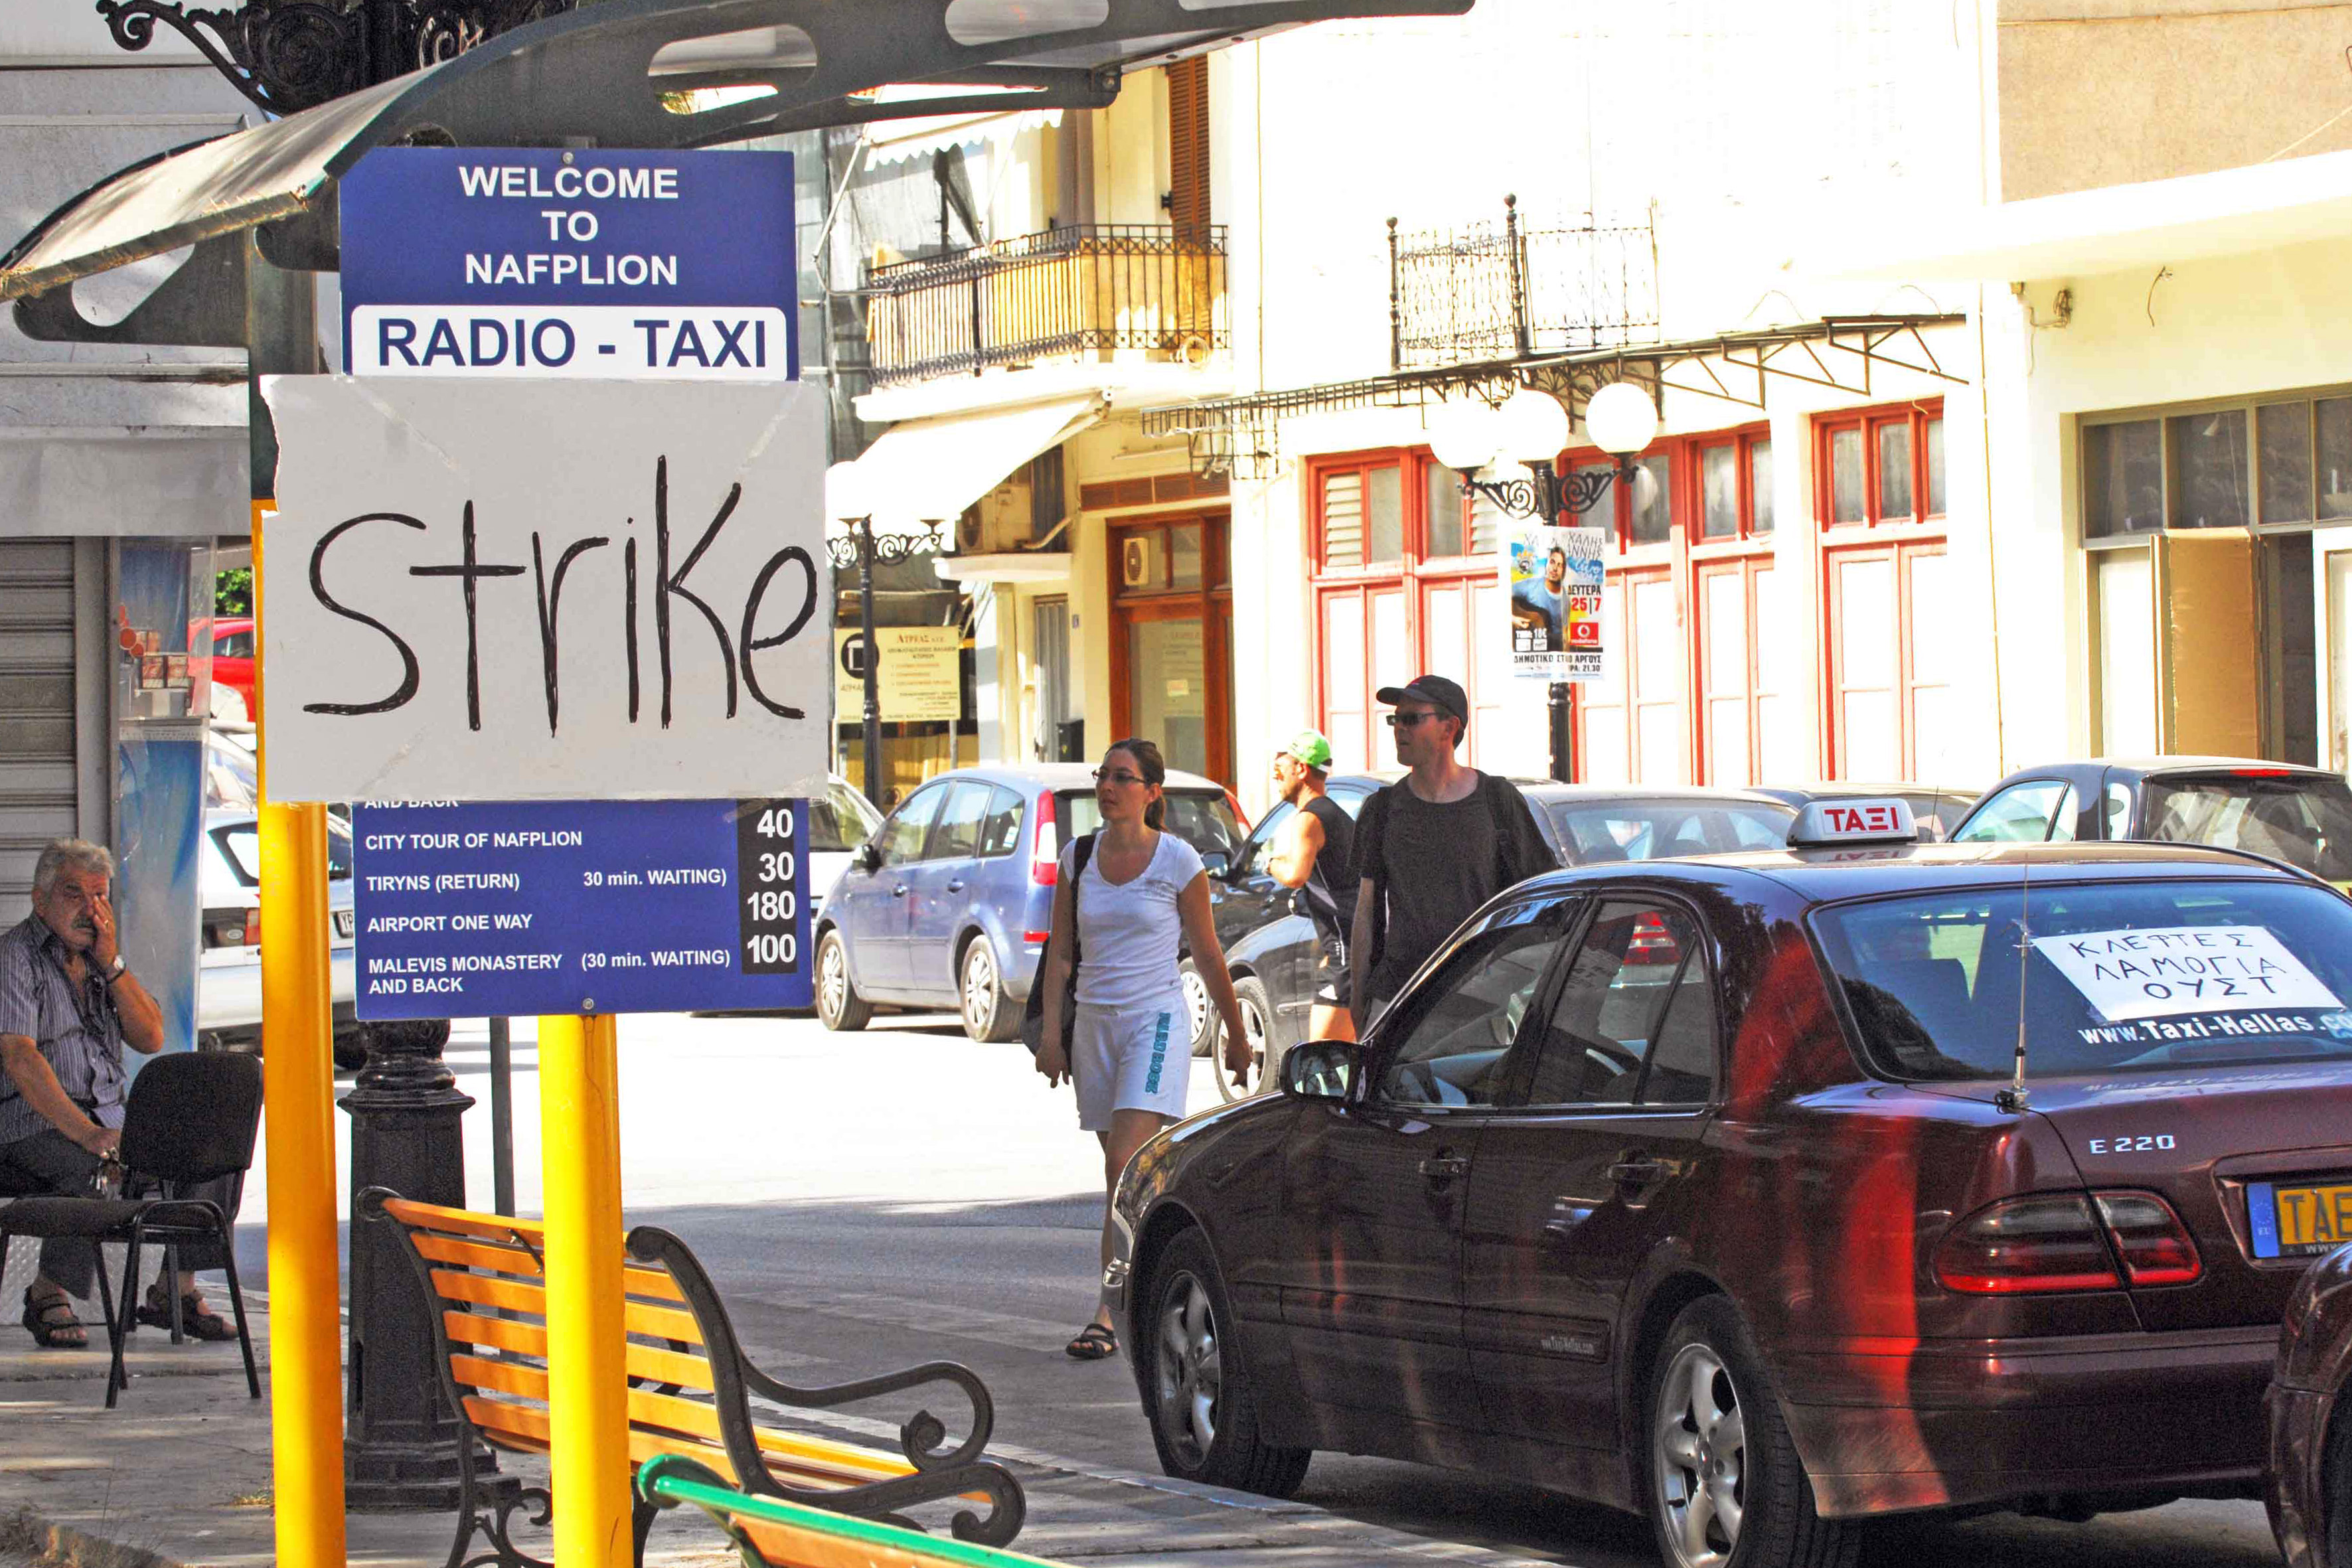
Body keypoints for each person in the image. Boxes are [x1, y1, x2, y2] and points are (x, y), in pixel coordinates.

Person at [1035, 739, 1249, 1360]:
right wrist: (1052, 1035)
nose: (1108, 786)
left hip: (1154, 1022)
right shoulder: (1078, 858)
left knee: (1121, 1169)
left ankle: (1108, 1310)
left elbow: (1207, 953)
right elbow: (1062, 953)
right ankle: (1155, 1283)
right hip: (1094, 1028)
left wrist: (1235, 1033)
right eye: (1103, 775)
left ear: (1152, 792)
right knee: (1125, 1183)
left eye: (1123, 778)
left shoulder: (1178, 861)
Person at [0, 840, 241, 1348]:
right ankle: (48, 1292)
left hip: (109, 1121)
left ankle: (174, 1291)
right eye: (74, 894)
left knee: (211, 1154)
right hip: (29, 1123)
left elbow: (150, 1036)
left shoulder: (102, 962)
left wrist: (111, 965)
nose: (90, 909)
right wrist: (88, 1133)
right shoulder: (14, 957)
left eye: (99, 895)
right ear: (40, 900)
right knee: (88, 1164)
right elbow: (20, 1057)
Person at [1348, 676, 1555, 1025]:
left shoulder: (1497, 801)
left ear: (1450, 727)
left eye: (1412, 719)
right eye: (1395, 719)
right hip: (1397, 996)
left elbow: (1541, 896)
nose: (1399, 728)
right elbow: (1366, 911)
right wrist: (1358, 999)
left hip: (1478, 1002)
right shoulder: (1381, 809)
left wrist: (1509, 971)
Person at [1263, 730, 1358, 1042]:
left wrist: (1271, 862)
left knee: (1320, 1058)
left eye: (1280, 769)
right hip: (1349, 951)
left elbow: (1295, 875)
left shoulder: (1310, 820)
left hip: (1347, 955)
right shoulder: (1335, 814)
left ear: (1302, 770)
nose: (1275, 776)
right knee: (1346, 1056)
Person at [1510, 544, 1570, 651]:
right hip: (1526, 648)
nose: (1555, 568)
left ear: (1564, 571)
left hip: (1551, 651)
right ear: (1546, 565)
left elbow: (1565, 637)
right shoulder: (1531, 586)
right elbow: (1503, 595)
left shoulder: (1566, 601)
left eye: (1560, 565)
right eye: (1552, 562)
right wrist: (1513, 619)